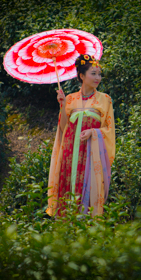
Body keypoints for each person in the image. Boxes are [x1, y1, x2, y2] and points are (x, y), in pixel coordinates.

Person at [46, 55, 115, 217]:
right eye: (93, 73)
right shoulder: (70, 99)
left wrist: (94, 132)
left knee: (88, 189)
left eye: (99, 74)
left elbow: (109, 129)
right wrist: (62, 105)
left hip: (91, 154)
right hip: (69, 153)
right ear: (81, 76)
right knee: (68, 187)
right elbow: (64, 129)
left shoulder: (105, 100)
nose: (98, 78)